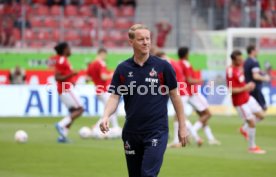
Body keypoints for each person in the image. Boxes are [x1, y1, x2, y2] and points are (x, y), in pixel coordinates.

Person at [99, 24, 189, 177]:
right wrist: (106, 116)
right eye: (141, 39)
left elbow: (175, 96)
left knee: (147, 175)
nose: (146, 42)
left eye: (148, 39)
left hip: (156, 131)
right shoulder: (123, 69)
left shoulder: (163, 67)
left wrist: (182, 126)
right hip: (131, 132)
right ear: (131, 42)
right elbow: (115, 96)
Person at [155, 51, 203, 147]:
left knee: (179, 116)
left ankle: (192, 138)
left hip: (179, 91)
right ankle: (181, 140)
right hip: (182, 90)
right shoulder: (172, 62)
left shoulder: (166, 63)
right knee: (178, 117)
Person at [178, 47, 220, 145]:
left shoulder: (178, 63)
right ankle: (191, 132)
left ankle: (211, 138)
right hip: (192, 92)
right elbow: (189, 80)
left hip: (185, 93)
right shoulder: (186, 63)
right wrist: (202, 80)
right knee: (208, 114)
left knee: (202, 115)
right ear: (186, 54)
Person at [226, 50, 266, 154]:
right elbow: (231, 90)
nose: (241, 61)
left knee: (261, 115)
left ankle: (244, 129)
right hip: (240, 102)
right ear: (233, 60)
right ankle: (252, 147)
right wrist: (245, 88)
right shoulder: (230, 71)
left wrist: (248, 87)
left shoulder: (240, 67)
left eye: (241, 58)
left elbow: (241, 83)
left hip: (247, 98)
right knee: (252, 122)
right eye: (239, 60)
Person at [49, 42, 84, 143]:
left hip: (65, 88)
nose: (70, 50)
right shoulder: (62, 60)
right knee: (80, 109)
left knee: (73, 112)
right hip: (65, 88)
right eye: (69, 48)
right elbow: (57, 77)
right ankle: (61, 124)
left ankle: (63, 136)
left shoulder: (62, 60)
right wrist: (72, 73)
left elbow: (63, 75)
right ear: (65, 49)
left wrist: (72, 80)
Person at [87, 48, 122, 139]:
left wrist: (95, 79)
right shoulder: (100, 63)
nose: (105, 57)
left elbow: (87, 78)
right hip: (103, 90)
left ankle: (113, 127)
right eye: (105, 55)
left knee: (110, 110)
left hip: (98, 90)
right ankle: (106, 128)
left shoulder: (92, 64)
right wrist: (113, 74)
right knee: (111, 109)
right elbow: (103, 77)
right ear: (102, 53)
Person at [244, 45, 270, 111]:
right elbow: (255, 76)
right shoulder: (254, 62)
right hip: (255, 88)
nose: (258, 52)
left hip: (248, 87)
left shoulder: (246, 61)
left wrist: (263, 72)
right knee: (263, 108)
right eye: (256, 50)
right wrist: (265, 78)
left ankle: (249, 120)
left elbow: (253, 72)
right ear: (252, 51)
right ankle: (248, 121)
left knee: (252, 109)